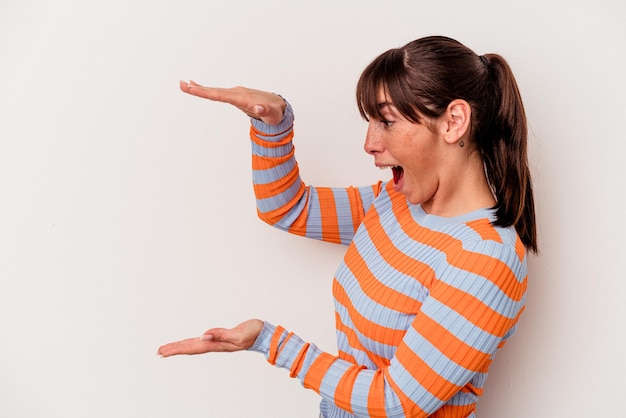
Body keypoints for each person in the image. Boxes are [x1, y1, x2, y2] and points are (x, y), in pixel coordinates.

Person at [157, 35, 537, 418]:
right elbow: (289, 209)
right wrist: (272, 124)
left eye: (386, 121)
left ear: (453, 122)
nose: (370, 143)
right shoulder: (394, 201)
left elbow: (394, 401)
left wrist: (270, 341)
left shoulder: (487, 259)